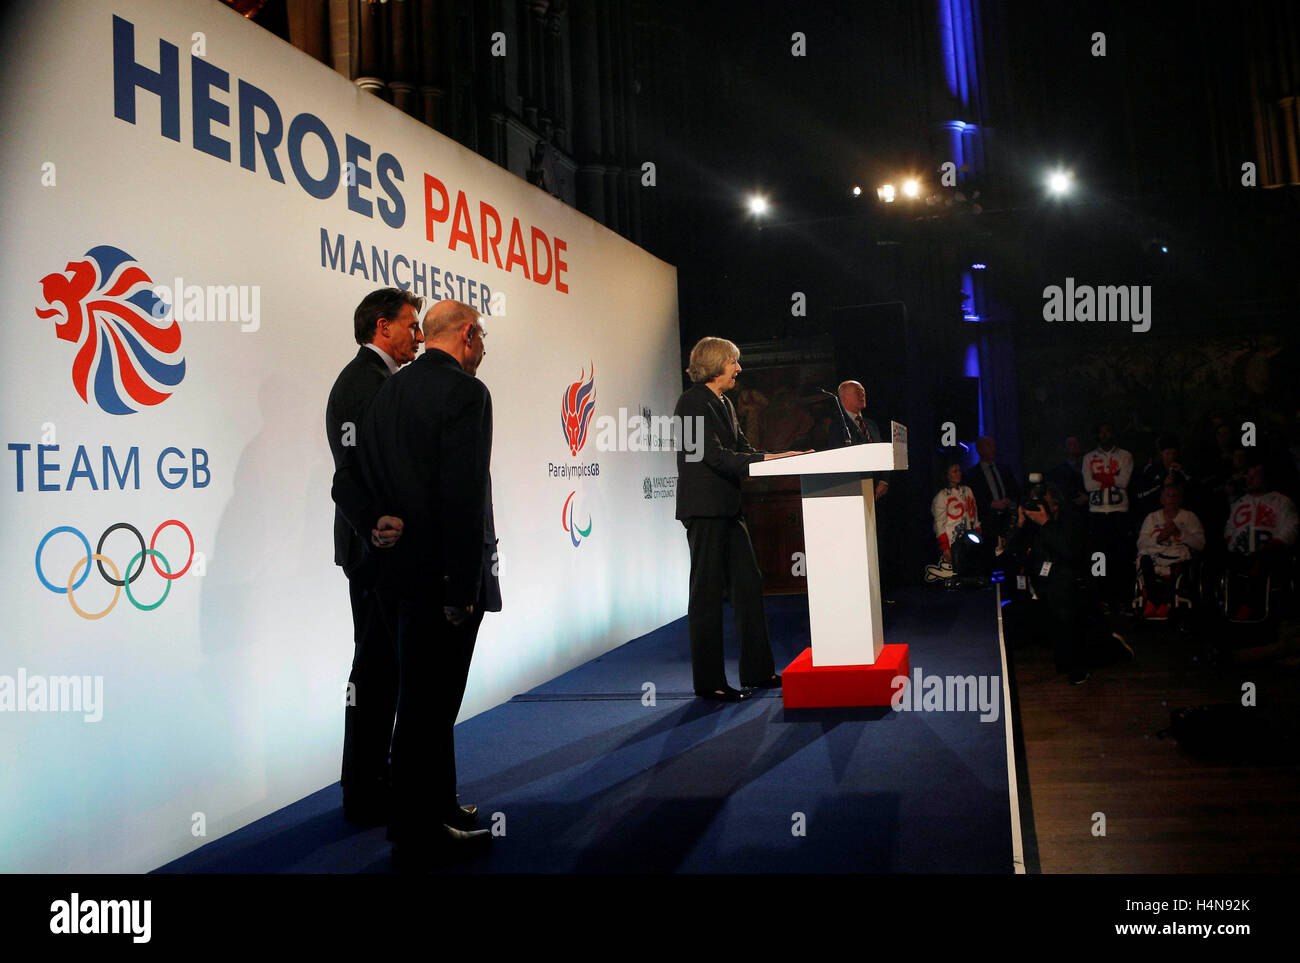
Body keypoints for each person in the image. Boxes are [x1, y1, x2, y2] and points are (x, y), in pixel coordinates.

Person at [332, 300, 498, 867]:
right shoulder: (466, 393)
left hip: (397, 576)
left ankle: (428, 813)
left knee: (418, 705)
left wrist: (380, 523)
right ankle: (417, 830)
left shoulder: (390, 392)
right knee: (427, 708)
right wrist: (462, 587)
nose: (483, 350)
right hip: (440, 579)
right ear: (469, 335)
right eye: (483, 338)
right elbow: (464, 496)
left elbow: (357, 480)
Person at [324, 287, 422, 825]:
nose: (419, 335)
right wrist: (374, 528)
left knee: (382, 669)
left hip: (378, 549)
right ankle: (364, 791)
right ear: (383, 327)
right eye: (411, 324)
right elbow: (349, 475)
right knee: (376, 669)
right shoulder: (363, 382)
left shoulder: (380, 379)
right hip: (372, 553)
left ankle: (371, 784)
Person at [674, 337, 802, 701]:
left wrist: (781, 456)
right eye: (734, 362)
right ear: (716, 363)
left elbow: (743, 449)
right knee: (707, 593)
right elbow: (710, 457)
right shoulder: (691, 402)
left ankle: (758, 672)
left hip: (728, 508)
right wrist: (765, 460)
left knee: (749, 583)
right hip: (704, 510)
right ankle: (709, 682)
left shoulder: (724, 403)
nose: (739, 369)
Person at [1135, 482, 1205, 619]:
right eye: (1168, 496)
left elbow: (1200, 544)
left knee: (1182, 567)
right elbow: (1141, 544)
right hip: (1155, 557)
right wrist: (1159, 537)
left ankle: (1166, 604)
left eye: (1174, 496)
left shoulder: (1189, 517)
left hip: (1178, 558)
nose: (1171, 499)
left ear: (1180, 499)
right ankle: (1155, 603)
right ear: (1162, 500)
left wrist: (1179, 534)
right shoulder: (1152, 518)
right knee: (1144, 561)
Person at [1083, 422, 1134, 605]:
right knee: (1098, 556)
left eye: (1107, 431)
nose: (1104, 435)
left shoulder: (1125, 455)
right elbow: (1089, 486)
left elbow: (1124, 481)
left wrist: (1100, 477)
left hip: (1119, 511)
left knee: (1119, 555)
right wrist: (1112, 478)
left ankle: (1121, 597)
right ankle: (1099, 596)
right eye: (1101, 432)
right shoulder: (1089, 457)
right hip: (1097, 513)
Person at [833, 379, 889, 501]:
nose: (862, 395)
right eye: (857, 391)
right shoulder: (836, 425)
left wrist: (884, 480)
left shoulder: (871, 424)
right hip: (853, 491)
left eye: (863, 391)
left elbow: (881, 454)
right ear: (843, 397)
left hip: (878, 491)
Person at [926, 460, 981, 582]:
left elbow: (974, 516)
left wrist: (978, 535)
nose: (958, 474)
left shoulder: (967, 491)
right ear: (947, 475)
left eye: (959, 471)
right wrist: (945, 547)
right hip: (953, 541)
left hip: (971, 539)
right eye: (954, 471)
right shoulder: (942, 496)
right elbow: (939, 524)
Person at [968, 436, 1021, 544]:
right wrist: (991, 504)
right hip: (987, 524)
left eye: (993, 445)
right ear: (979, 449)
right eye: (988, 445)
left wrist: (1010, 501)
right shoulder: (972, 475)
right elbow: (972, 500)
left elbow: (1016, 491)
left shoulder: (1004, 470)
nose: (992, 448)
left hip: (1007, 520)